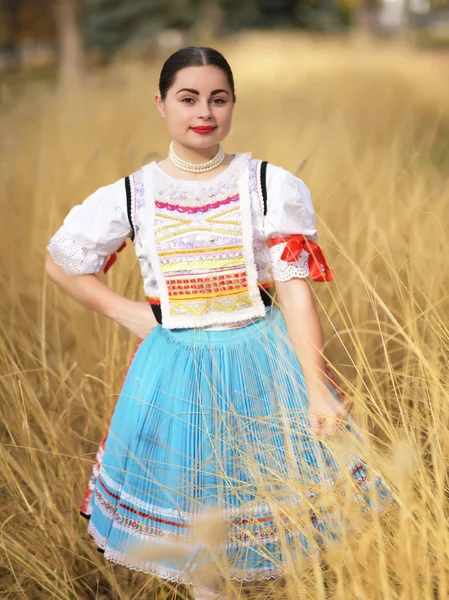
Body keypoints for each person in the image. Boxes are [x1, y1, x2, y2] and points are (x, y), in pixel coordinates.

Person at [45, 46, 392, 599]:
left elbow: (296, 293)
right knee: (199, 530)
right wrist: (128, 311)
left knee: (275, 519)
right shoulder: (133, 194)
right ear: (160, 104)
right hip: (176, 370)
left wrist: (316, 388)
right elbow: (62, 261)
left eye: (218, 98)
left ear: (232, 105)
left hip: (262, 361)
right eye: (188, 98)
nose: (204, 111)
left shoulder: (268, 185)